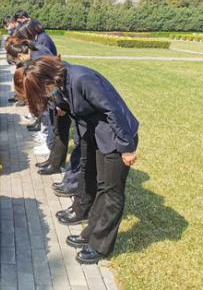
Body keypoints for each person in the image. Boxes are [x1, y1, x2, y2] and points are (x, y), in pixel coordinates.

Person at [23, 56, 139, 264]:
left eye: (42, 89)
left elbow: (113, 110)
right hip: (98, 135)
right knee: (101, 186)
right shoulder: (63, 82)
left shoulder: (81, 78)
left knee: (111, 193)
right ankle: (90, 233)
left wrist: (126, 147)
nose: (46, 94)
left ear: (47, 78)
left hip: (116, 136)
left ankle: (100, 246)